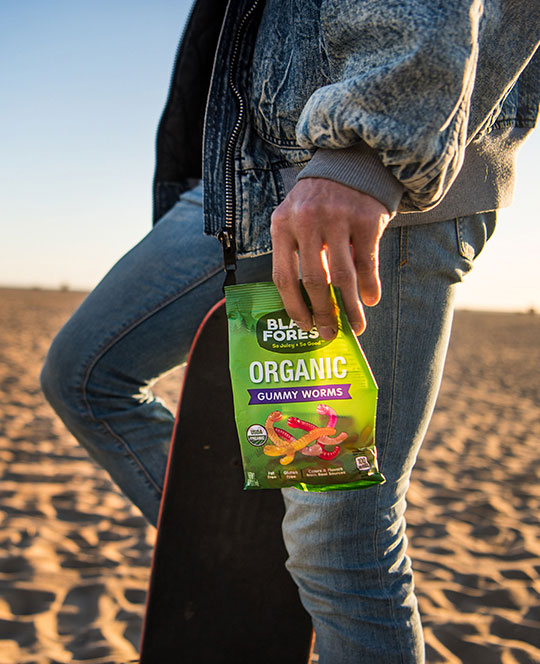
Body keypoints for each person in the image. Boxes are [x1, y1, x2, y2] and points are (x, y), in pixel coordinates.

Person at [41, 1, 539, 662]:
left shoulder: (361, 161)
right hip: (247, 184)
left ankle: (304, 558)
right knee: (86, 373)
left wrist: (367, 151)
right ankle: (255, 549)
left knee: (343, 546)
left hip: (354, 189)